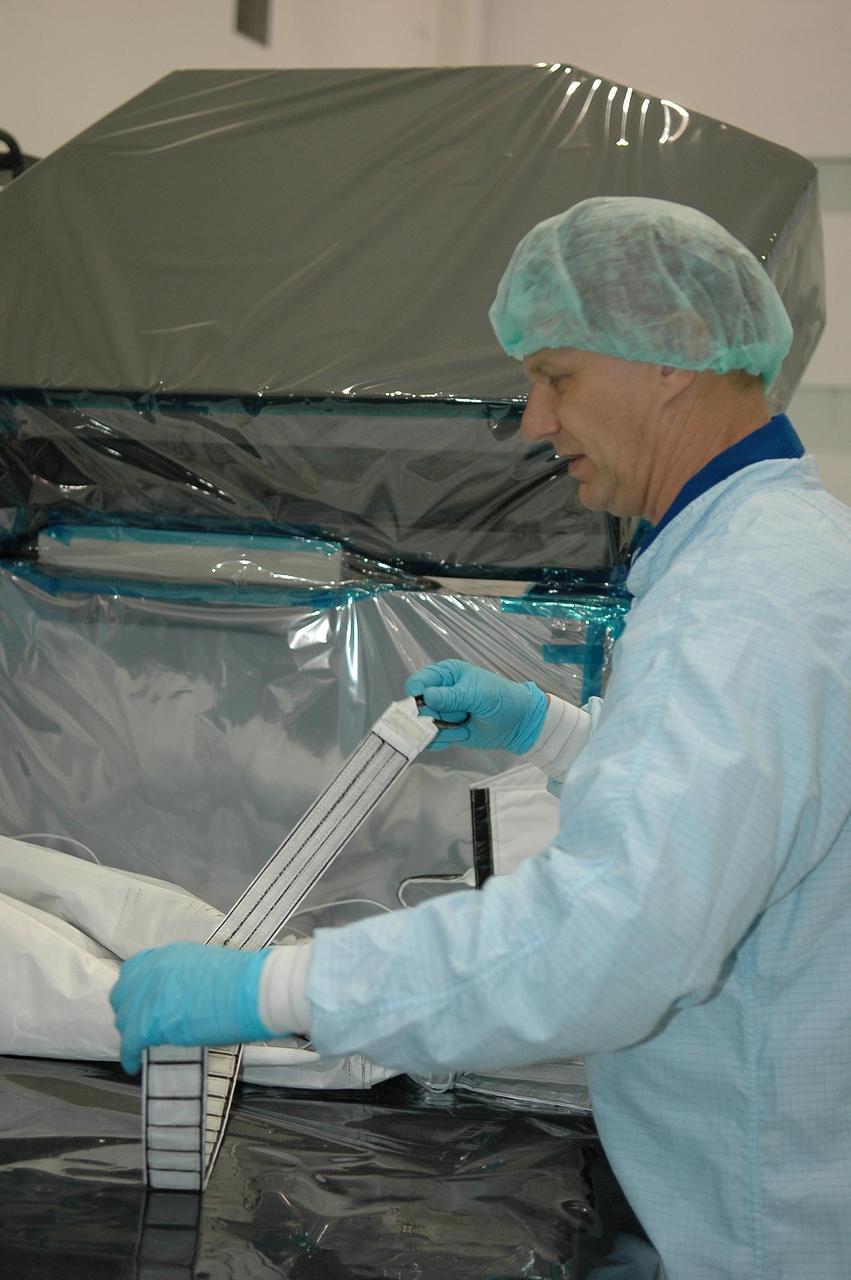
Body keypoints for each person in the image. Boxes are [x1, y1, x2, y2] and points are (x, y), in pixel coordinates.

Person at [110, 196, 851, 1279]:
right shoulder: (775, 551)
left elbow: (608, 944)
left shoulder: (740, 604)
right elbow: (738, 814)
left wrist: (271, 990)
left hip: (762, 1228)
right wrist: (554, 735)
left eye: (556, 376)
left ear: (675, 356)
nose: (534, 420)